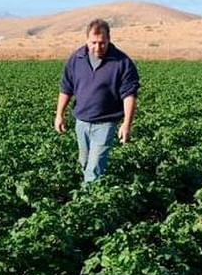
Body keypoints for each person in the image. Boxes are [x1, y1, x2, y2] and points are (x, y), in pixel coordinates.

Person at [54, 19, 140, 185]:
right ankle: (89, 194)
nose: (97, 47)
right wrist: (59, 115)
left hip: (106, 123)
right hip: (82, 121)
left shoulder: (122, 62)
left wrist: (126, 124)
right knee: (84, 163)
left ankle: (87, 203)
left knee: (94, 168)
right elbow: (66, 88)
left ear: (109, 39)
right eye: (93, 43)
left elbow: (129, 95)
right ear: (87, 40)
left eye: (102, 43)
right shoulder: (76, 59)